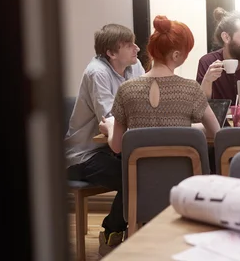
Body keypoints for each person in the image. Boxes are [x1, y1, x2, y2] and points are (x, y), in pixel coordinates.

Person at [64, 24, 144, 256]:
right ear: (111, 52)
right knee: (134, 177)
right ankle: (112, 233)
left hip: (112, 149)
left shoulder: (134, 65)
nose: (137, 48)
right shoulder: (96, 72)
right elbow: (111, 117)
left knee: (146, 171)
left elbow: (140, 103)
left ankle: (132, 234)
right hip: (83, 155)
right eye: (129, 45)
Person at [107, 15, 221, 154]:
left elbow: (117, 147)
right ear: (176, 55)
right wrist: (185, 129)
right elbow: (216, 134)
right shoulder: (191, 89)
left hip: (140, 175)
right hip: (184, 174)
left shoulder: (126, 89)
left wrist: (109, 128)